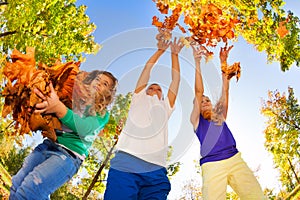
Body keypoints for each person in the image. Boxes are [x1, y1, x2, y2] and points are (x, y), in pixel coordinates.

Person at [9, 70, 118, 200]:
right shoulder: (73, 97)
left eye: (105, 84)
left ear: (109, 94)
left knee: (31, 188)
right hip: (48, 145)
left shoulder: (102, 114)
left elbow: (85, 128)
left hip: (68, 156)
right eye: (97, 79)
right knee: (17, 183)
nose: (99, 83)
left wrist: (58, 108)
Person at [104, 33, 184, 200]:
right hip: (127, 162)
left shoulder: (166, 106)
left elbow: (175, 81)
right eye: (151, 88)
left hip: (156, 169)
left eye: (158, 89)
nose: (154, 90)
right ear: (144, 90)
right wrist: (160, 51)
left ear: (163, 96)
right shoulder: (138, 98)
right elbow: (147, 69)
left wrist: (174, 55)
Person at [190, 44, 266, 199]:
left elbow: (225, 89)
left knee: (257, 196)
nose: (204, 101)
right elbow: (198, 91)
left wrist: (223, 62)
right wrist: (197, 62)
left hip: (234, 159)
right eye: (201, 100)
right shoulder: (196, 121)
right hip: (212, 165)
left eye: (208, 100)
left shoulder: (220, 116)